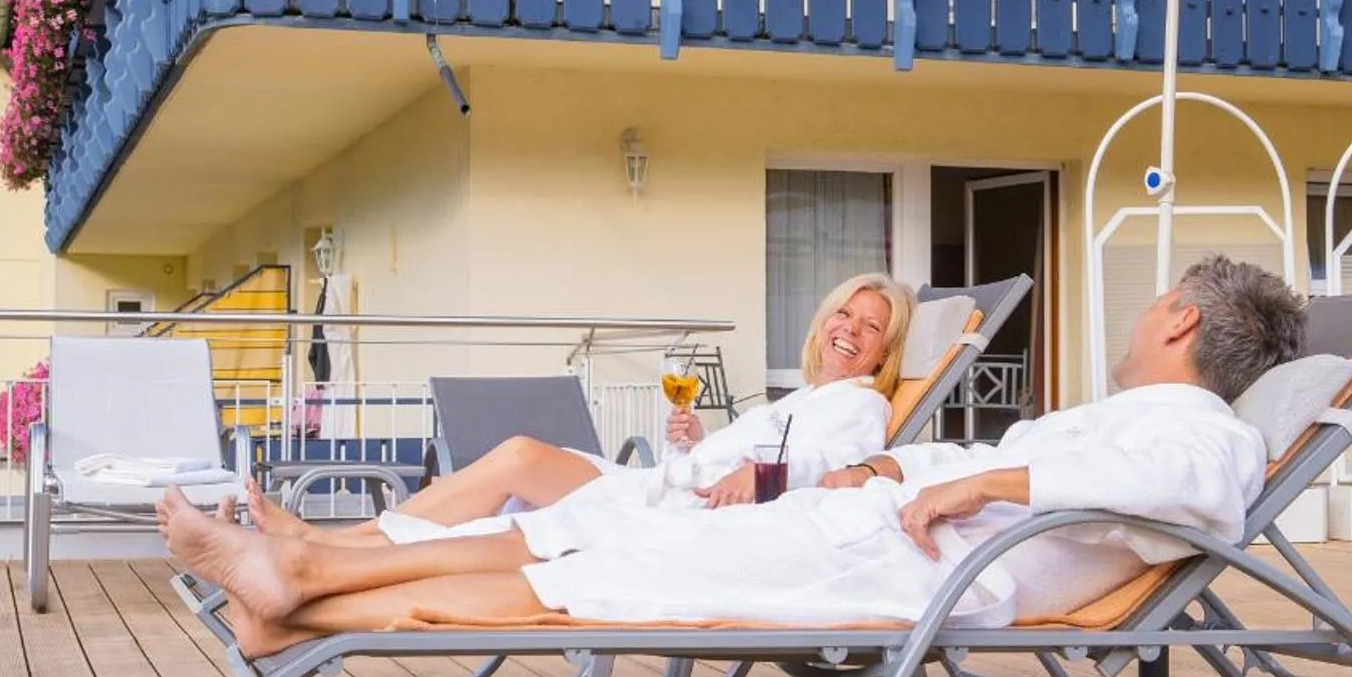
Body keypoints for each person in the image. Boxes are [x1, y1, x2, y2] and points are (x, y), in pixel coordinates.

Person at [163, 256, 1305, 659]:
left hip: (893, 571)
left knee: (591, 577)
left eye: (1152, 303)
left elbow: (1181, 489)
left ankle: (301, 590)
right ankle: (300, 588)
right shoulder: (1124, 420)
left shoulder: (1206, 433)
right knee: (580, 553)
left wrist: (976, 479)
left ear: (1178, 322)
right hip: (859, 532)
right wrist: (903, 473)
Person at [253, 273, 914, 549]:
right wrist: (695, 442)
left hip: (671, 513)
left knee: (518, 458)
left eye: (872, 326)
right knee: (504, 481)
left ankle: (333, 544)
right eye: (845, 313)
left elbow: (835, 466)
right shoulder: (804, 398)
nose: (850, 330)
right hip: (663, 488)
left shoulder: (860, 406)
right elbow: (738, 463)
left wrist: (762, 473)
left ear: (885, 351)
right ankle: (338, 544)